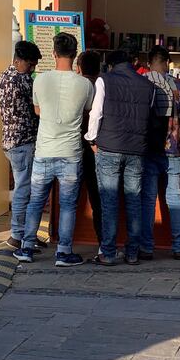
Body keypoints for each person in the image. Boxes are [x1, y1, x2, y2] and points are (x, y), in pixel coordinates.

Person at [13, 33, 94, 267]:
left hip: (44, 150)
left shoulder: (40, 80)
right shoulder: (84, 84)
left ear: (54, 53)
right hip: (70, 152)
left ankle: (27, 247)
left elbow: (37, 110)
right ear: (75, 54)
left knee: (36, 201)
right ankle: (64, 251)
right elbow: (87, 110)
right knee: (68, 204)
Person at [85, 42, 154, 266]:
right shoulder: (147, 85)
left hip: (109, 148)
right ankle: (132, 253)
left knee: (109, 202)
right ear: (131, 63)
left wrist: (91, 139)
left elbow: (96, 113)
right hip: (136, 150)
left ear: (112, 64)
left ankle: (108, 252)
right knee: (134, 201)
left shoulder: (104, 80)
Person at [140, 46, 180, 260]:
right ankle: (178, 248)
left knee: (148, 199)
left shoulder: (142, 83)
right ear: (168, 62)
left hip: (149, 149)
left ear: (149, 62)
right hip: (174, 148)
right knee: (175, 198)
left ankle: (147, 248)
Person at [0, 40, 45, 250]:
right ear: (18, 60)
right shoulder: (23, 81)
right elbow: (38, 108)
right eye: (31, 64)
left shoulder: (3, 77)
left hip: (9, 140)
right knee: (24, 189)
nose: (32, 69)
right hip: (24, 141)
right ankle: (18, 234)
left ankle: (24, 233)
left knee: (22, 187)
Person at [76, 50, 103, 243]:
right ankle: (103, 242)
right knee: (98, 200)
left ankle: (64, 244)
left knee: (69, 201)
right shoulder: (103, 87)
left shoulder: (76, 86)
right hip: (97, 149)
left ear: (78, 68)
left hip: (75, 148)